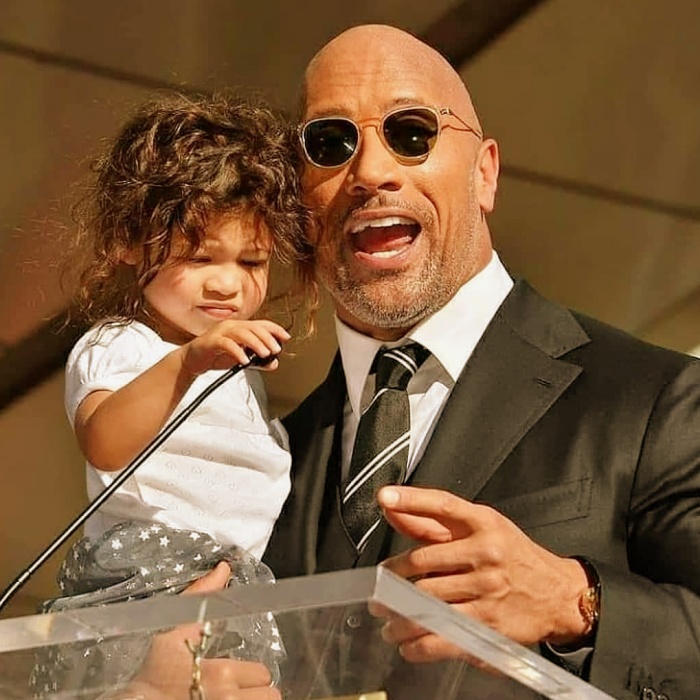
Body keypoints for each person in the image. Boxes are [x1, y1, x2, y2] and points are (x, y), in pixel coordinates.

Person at [257, 23, 700, 700]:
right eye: (330, 143)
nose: (372, 171)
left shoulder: (658, 399)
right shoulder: (263, 461)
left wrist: (577, 604)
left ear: (484, 171)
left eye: (412, 133)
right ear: (298, 204)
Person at [34, 91, 315, 697]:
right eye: (199, 255)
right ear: (130, 242)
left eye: (253, 262)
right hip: (142, 580)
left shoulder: (236, 373)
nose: (228, 283)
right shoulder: (120, 345)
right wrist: (187, 363)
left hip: (236, 585)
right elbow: (105, 441)